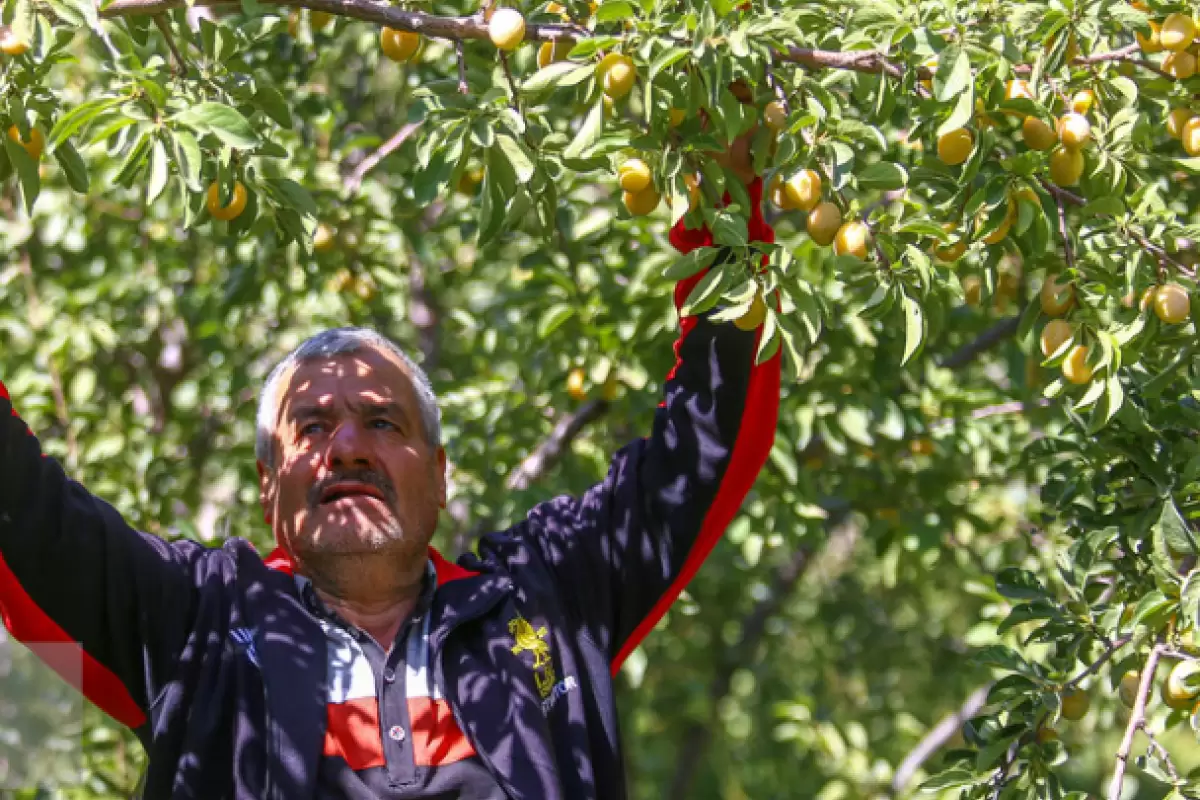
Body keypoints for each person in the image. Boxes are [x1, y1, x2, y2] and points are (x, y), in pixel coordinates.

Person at [0, 185, 781, 799]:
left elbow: (710, 436)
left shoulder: (546, 597)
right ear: (268, 486)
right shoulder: (191, 619)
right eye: (310, 427)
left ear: (439, 474)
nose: (347, 448)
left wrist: (725, 190)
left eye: (382, 422)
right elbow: (20, 511)